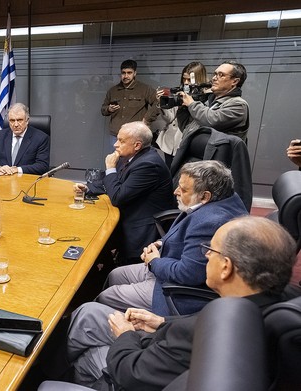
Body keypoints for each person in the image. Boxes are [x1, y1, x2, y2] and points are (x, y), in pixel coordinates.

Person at [65, 216, 296, 391]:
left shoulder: (200, 334)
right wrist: (161, 321)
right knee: (89, 312)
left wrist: (125, 335)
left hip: (136, 370)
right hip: (160, 349)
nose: (205, 256)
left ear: (226, 267)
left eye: (210, 250)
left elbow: (132, 373)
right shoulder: (285, 299)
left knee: (85, 358)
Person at [96, 161, 248, 316]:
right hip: (168, 261)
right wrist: (162, 243)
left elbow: (188, 274)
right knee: (115, 274)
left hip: (175, 290)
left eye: (183, 190)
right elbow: (188, 235)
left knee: (106, 296)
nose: (175, 192)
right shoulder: (225, 198)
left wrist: (154, 261)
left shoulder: (210, 223)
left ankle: (118, 330)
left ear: (205, 196)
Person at [76, 121, 175, 264]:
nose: (115, 145)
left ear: (137, 145)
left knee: (92, 236)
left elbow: (117, 197)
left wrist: (110, 167)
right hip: (128, 214)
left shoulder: (148, 165)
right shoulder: (133, 156)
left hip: (141, 228)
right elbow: (114, 180)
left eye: (121, 141)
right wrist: (88, 188)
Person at [151, 61, 208, 166]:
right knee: (170, 175)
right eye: (184, 78)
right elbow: (170, 118)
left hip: (187, 144)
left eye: (189, 79)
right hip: (169, 143)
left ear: (198, 79)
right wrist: (162, 103)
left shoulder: (207, 96)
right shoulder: (179, 92)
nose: (186, 82)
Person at [179, 60, 249, 141]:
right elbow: (187, 128)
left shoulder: (239, 105)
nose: (214, 78)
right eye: (215, 74)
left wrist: (191, 104)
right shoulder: (208, 100)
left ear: (235, 81)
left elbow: (211, 121)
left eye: (221, 75)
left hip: (216, 153)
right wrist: (182, 109)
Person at [0, 103, 50, 175]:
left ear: (27, 121)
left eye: (19, 120)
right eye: (12, 120)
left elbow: (42, 166)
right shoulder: (0, 136)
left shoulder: (41, 138)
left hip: (27, 181)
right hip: (3, 181)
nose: (16, 125)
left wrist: (17, 169)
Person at [101, 59, 158, 145]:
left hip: (136, 135)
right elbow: (103, 109)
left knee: (136, 159)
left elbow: (158, 103)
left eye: (129, 73)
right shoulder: (112, 91)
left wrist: (147, 119)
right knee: (115, 158)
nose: (126, 76)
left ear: (135, 73)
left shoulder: (145, 89)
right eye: (123, 73)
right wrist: (108, 109)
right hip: (116, 135)